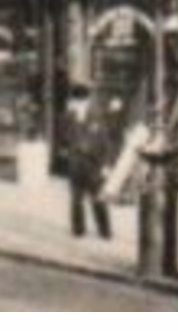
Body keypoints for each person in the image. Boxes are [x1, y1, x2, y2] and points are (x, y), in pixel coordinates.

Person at [60, 83, 112, 240]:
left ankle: (105, 230)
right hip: (76, 163)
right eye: (76, 101)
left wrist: (106, 164)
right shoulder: (68, 116)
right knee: (76, 199)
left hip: (93, 163)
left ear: (87, 101)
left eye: (81, 101)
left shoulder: (97, 116)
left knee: (97, 198)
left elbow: (105, 142)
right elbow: (65, 139)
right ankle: (78, 230)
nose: (78, 104)